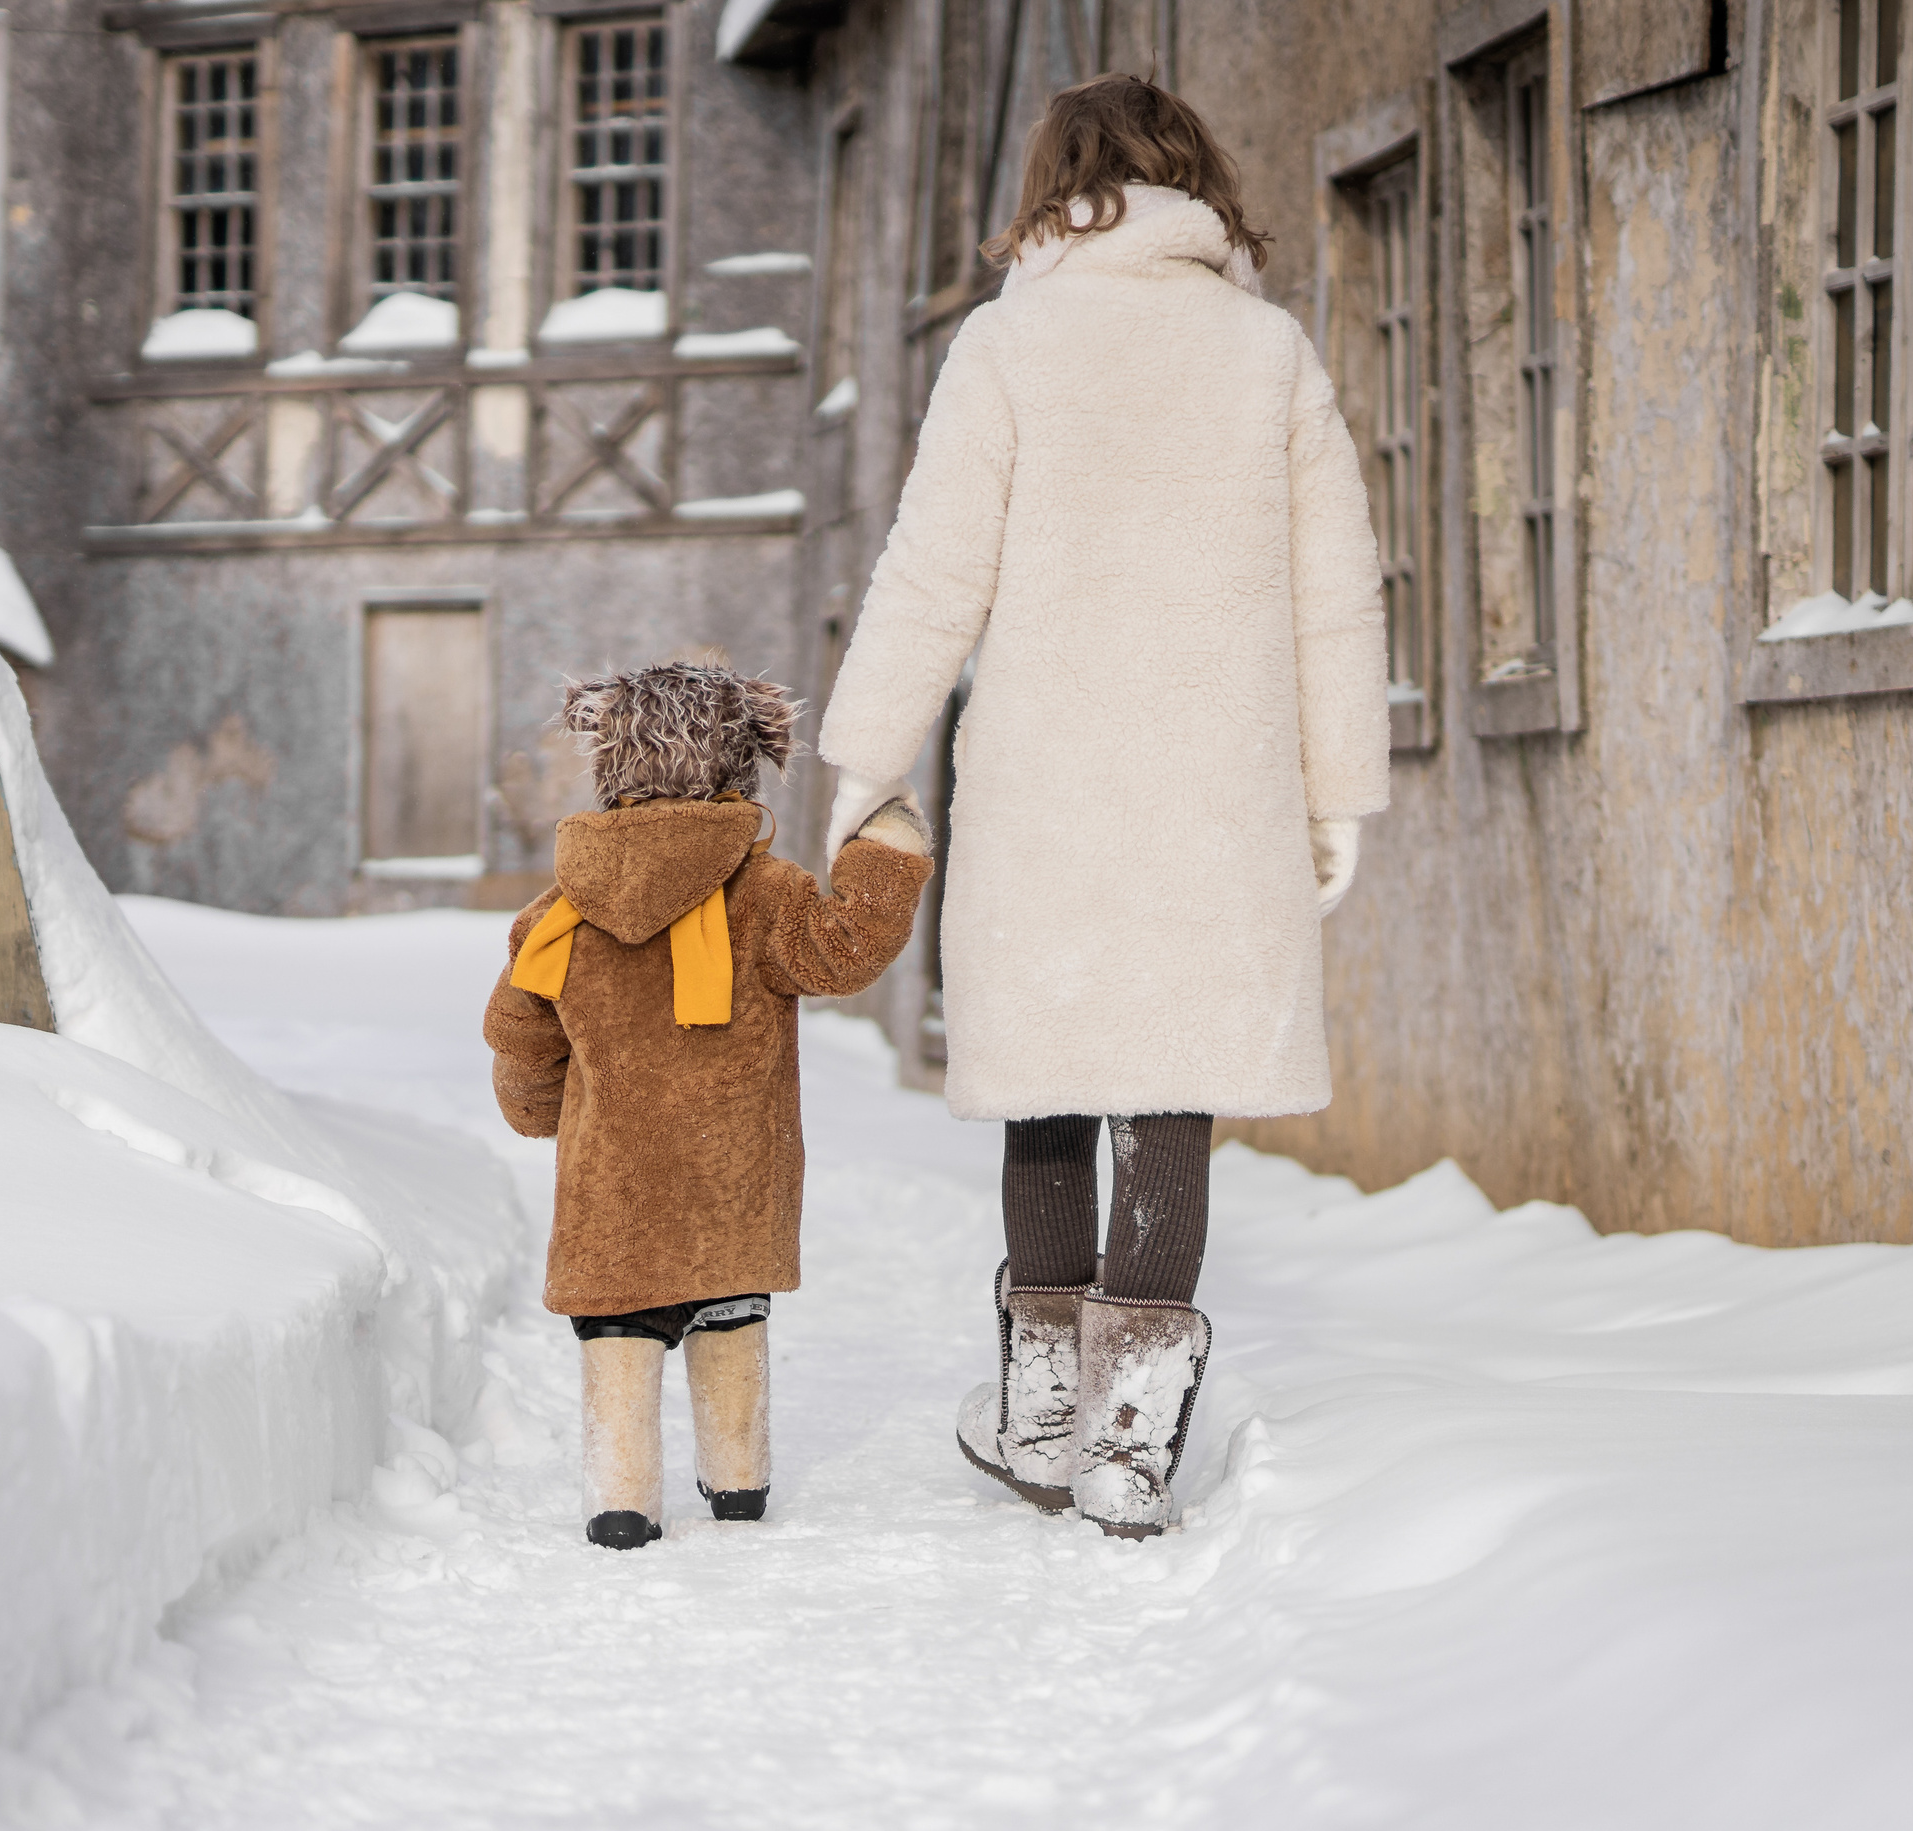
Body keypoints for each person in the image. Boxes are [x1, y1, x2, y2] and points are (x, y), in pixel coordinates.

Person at [815, 75, 1389, 1538]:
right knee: (1171, 1096)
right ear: (1195, 181)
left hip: (1046, 793)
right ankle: (1132, 1445)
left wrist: (865, 758)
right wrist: (1341, 794)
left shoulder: (1007, 347)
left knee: (1049, 1086)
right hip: (1216, 794)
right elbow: (1338, 600)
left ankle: (1044, 1414)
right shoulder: (1268, 354)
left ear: (1053, 186)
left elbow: (933, 569)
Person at [484, 661, 934, 1549]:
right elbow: (841, 949)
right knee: (729, 1311)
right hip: (732, 1183)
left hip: (612, 1187)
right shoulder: (764, 894)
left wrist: (538, 1112)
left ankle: (621, 1499)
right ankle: (737, 1480)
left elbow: (522, 1030)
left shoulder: (559, 909)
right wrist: (889, 850)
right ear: (739, 760)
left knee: (617, 1333)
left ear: (612, 758)